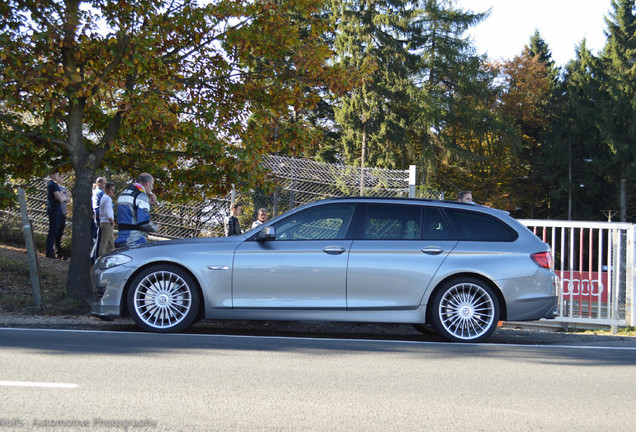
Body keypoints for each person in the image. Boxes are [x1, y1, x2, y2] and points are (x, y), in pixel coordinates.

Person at [115, 173, 158, 248]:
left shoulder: (124, 193)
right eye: (152, 185)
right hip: (135, 240)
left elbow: (130, 212)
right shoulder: (141, 196)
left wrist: (149, 204)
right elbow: (143, 222)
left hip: (120, 236)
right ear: (148, 184)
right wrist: (155, 227)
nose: (152, 188)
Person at [45, 172, 71, 259]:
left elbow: (67, 199)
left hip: (59, 211)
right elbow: (60, 198)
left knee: (58, 232)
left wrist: (64, 198)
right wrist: (65, 197)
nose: (60, 177)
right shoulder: (51, 185)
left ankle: (57, 251)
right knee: (53, 231)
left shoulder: (56, 186)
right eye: (57, 175)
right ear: (52, 175)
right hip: (54, 210)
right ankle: (49, 251)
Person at [91, 177, 107, 261]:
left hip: (98, 215)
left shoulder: (97, 192)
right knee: (100, 239)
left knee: (98, 238)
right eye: (104, 183)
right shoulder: (100, 192)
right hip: (100, 215)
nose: (105, 185)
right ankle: (95, 258)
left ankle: (93, 256)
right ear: (99, 183)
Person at [98, 182, 116, 256]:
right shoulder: (107, 198)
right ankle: (101, 258)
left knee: (111, 241)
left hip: (104, 221)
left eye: (113, 190)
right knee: (104, 242)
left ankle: (111, 257)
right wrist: (111, 220)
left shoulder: (104, 198)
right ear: (106, 189)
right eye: (111, 189)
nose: (112, 191)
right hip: (107, 222)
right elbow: (107, 211)